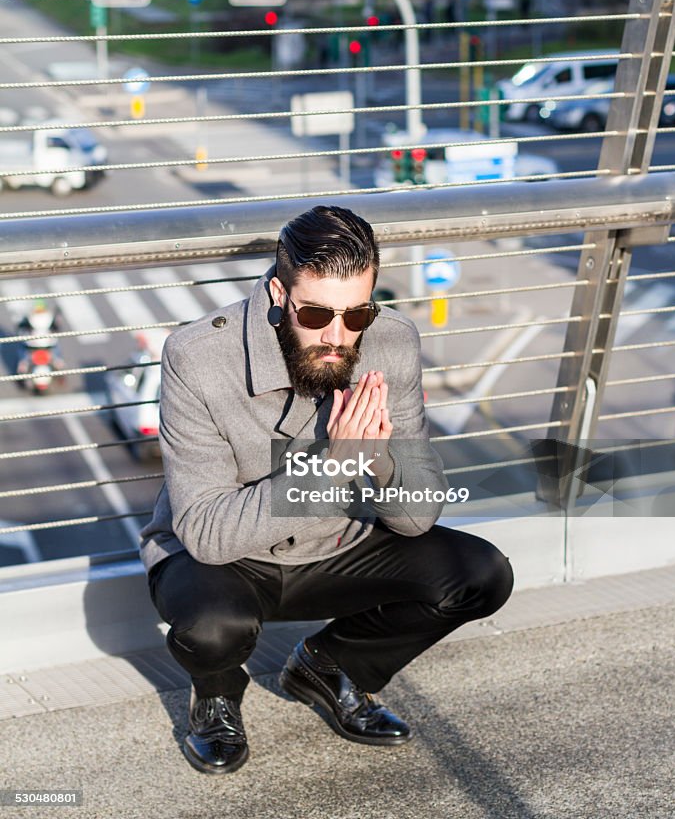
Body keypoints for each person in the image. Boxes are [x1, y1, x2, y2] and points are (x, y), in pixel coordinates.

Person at [140, 205, 513, 776]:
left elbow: (416, 519)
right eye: (314, 313)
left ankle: (331, 666)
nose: (337, 337)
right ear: (276, 295)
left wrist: (381, 459)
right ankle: (215, 697)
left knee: (482, 575)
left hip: (341, 544)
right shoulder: (197, 356)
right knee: (214, 629)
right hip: (229, 558)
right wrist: (333, 467)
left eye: (356, 313)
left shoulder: (390, 342)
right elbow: (208, 535)